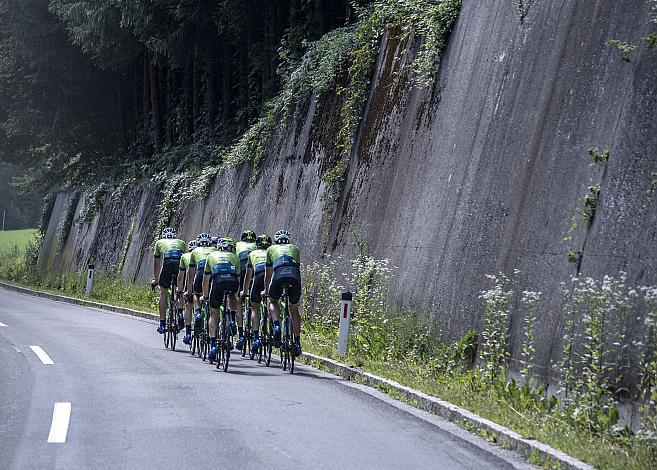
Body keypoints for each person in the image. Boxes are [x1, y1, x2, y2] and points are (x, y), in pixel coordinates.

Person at [263, 229, 303, 357]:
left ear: (275, 241)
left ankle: (276, 325)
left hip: (278, 275)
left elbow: (268, 274)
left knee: (273, 301)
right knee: (293, 308)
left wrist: (266, 291)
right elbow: (297, 270)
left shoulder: (271, 249)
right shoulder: (295, 249)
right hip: (294, 277)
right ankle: (297, 341)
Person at [201, 237, 241, 362]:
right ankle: (233, 321)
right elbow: (238, 280)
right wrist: (235, 295)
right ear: (229, 247)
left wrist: (206, 296)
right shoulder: (235, 257)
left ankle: (213, 346)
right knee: (231, 297)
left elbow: (206, 280)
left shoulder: (211, 256)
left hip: (217, 283)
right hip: (232, 282)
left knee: (214, 313)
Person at [150, 227, 186, 334]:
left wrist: (156, 280)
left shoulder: (159, 242)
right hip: (179, 265)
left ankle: (162, 324)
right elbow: (185, 260)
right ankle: (179, 313)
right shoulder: (181, 242)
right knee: (179, 291)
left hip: (168, 264)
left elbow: (157, 263)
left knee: (163, 292)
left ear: (163, 236)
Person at [240, 234, 271, 354]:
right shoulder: (271, 252)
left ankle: (256, 337)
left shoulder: (252, 254)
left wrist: (244, 292)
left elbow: (248, 277)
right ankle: (274, 326)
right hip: (271, 276)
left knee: (255, 307)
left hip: (257, 276)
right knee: (272, 301)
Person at [187, 233, 217, 332]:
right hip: (213, 274)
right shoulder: (215, 250)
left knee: (196, 294)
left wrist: (190, 291)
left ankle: (198, 312)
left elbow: (191, 275)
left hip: (200, 272)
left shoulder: (194, 251)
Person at [235, 230, 256, 350]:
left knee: (237, 300)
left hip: (242, 268)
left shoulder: (238, 245)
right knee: (257, 302)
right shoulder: (256, 246)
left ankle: (241, 333)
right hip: (257, 268)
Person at [177, 240, 197, 344]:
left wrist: (180, 291)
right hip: (204, 280)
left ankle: (188, 333)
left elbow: (181, 277)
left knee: (189, 304)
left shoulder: (185, 256)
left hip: (191, 281)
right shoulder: (204, 255)